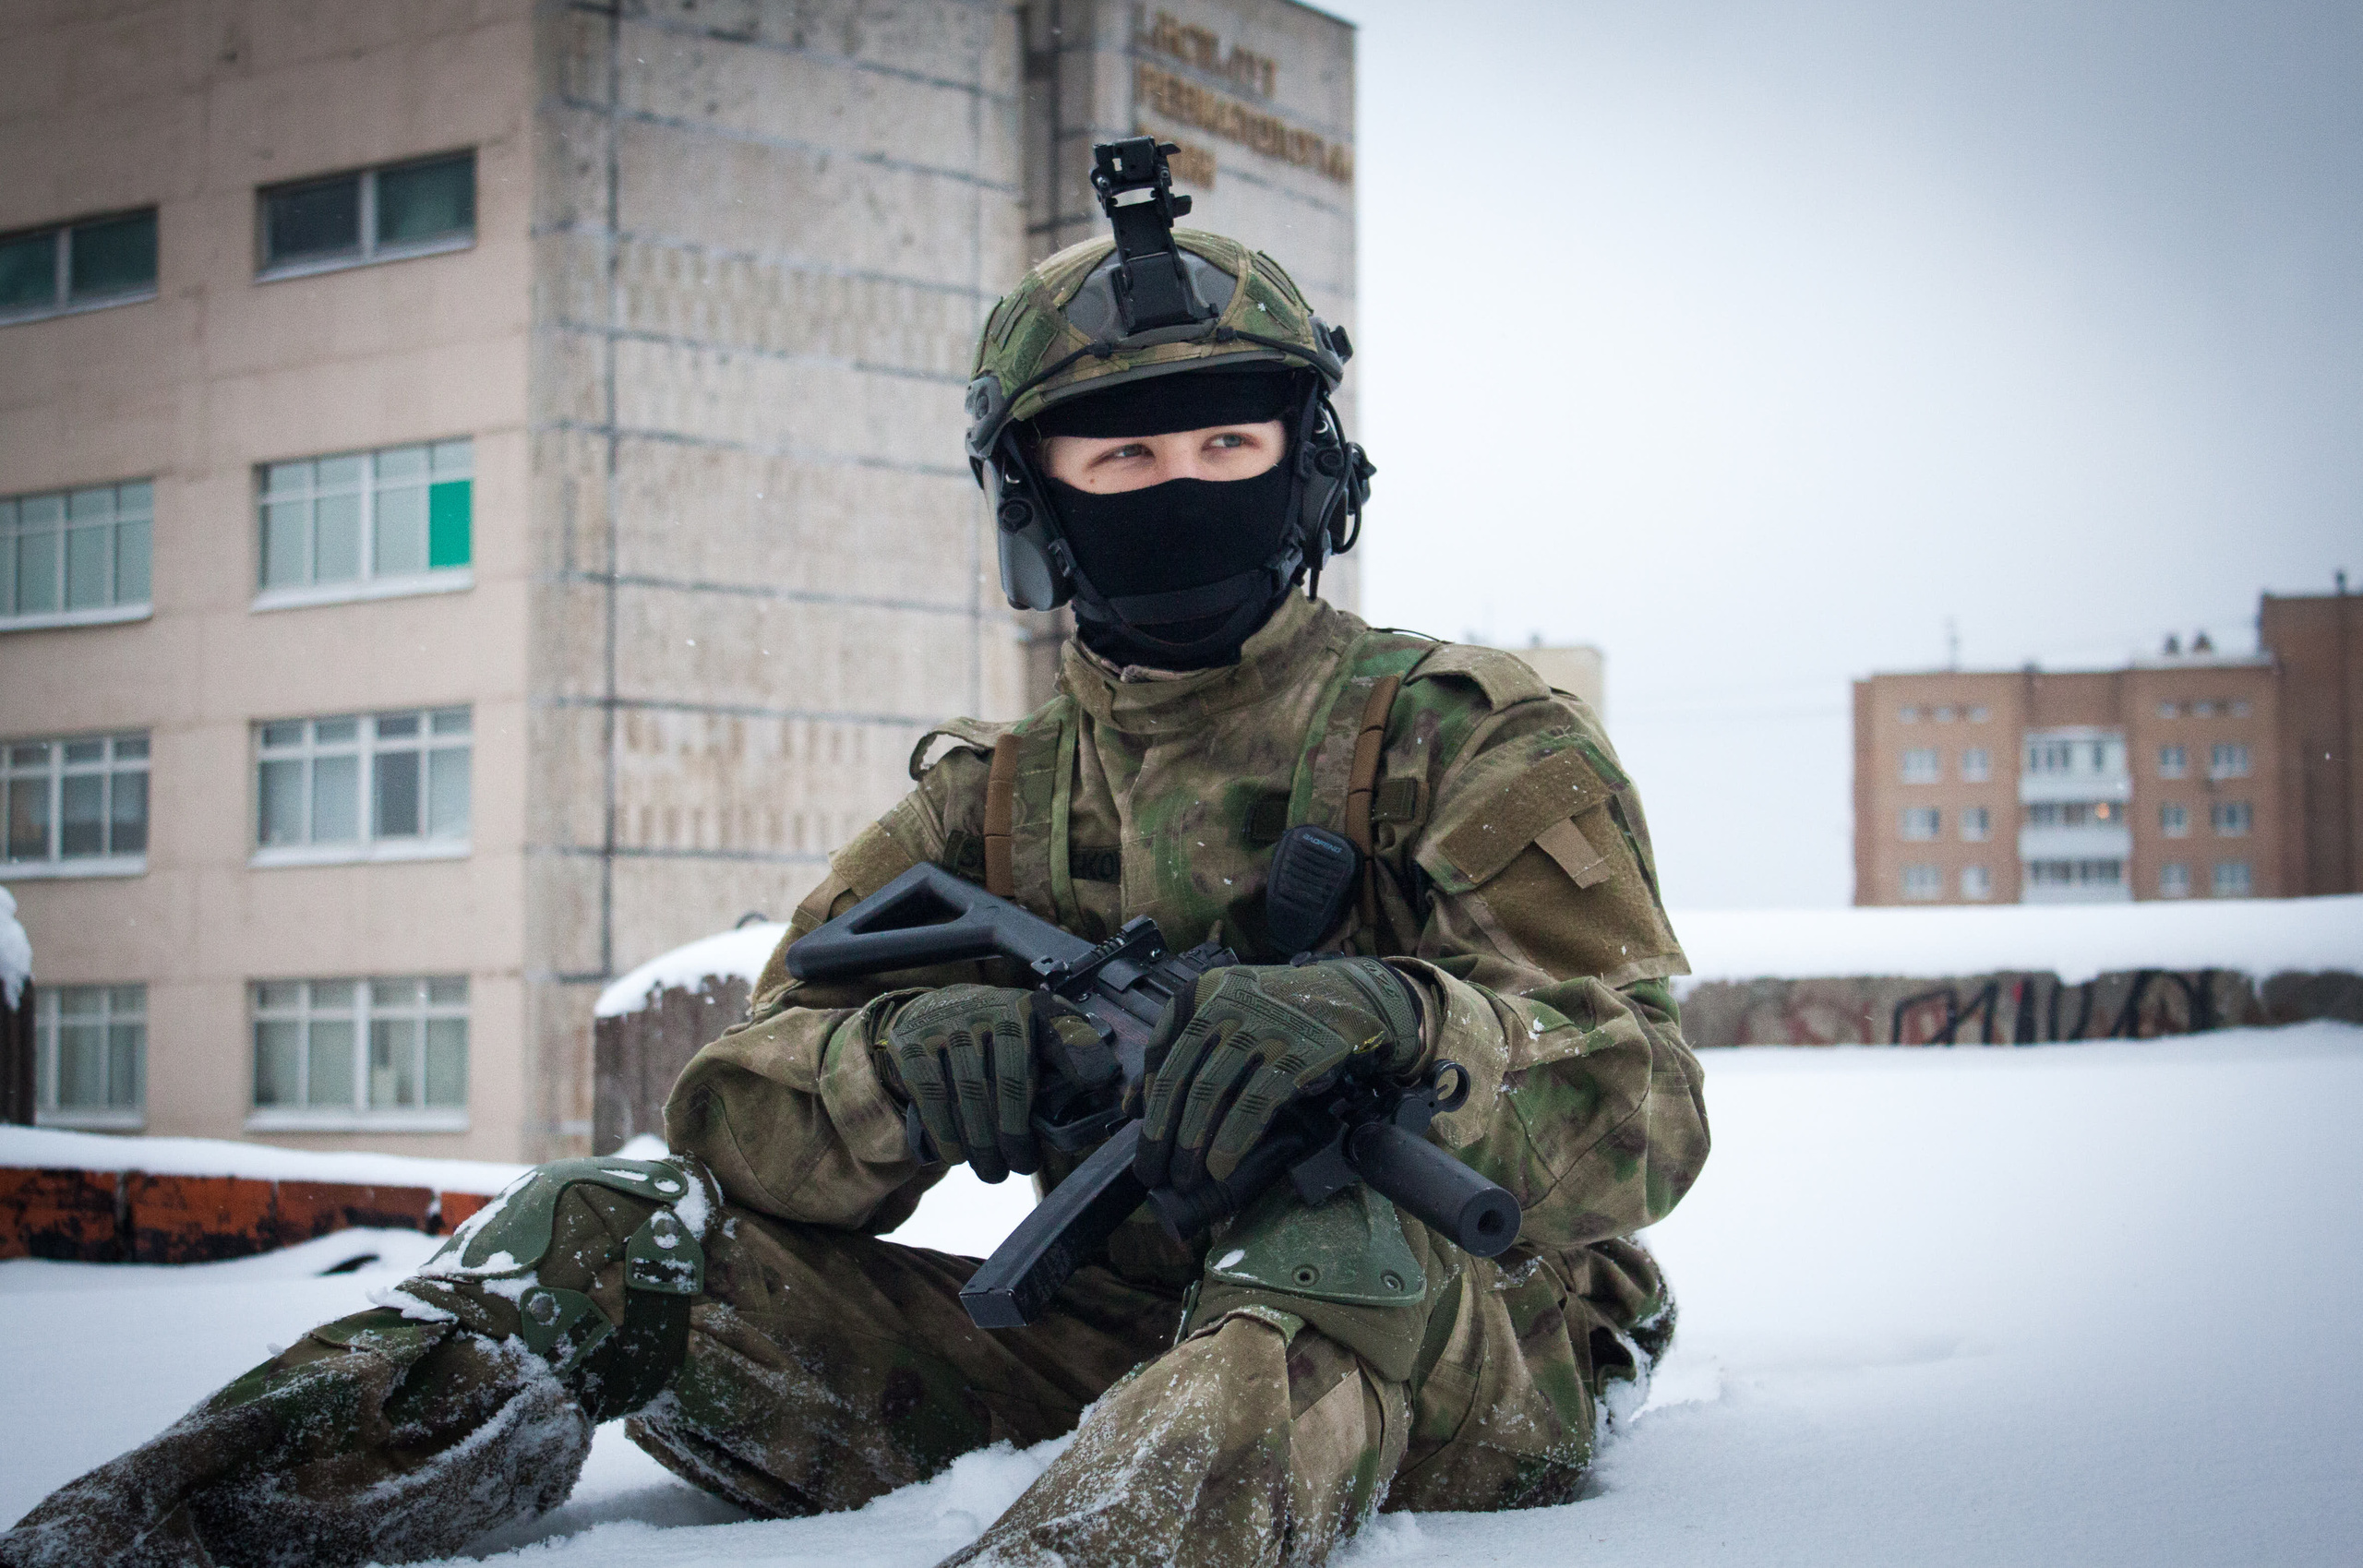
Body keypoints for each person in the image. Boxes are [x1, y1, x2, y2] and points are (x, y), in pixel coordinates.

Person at [2, 167, 1709, 1568]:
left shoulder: (1467, 736)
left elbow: (1649, 1104)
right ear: (1033, 499)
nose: (1174, 488)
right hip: (1116, 1356)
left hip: (1472, 1349)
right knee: (609, 1225)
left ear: (1307, 467)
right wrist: (906, 1065)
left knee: (1334, 1235)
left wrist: (1395, 1023)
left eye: (1223, 447)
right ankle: (140, 1539)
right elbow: (735, 1113)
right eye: (1118, 456)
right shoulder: (995, 803)